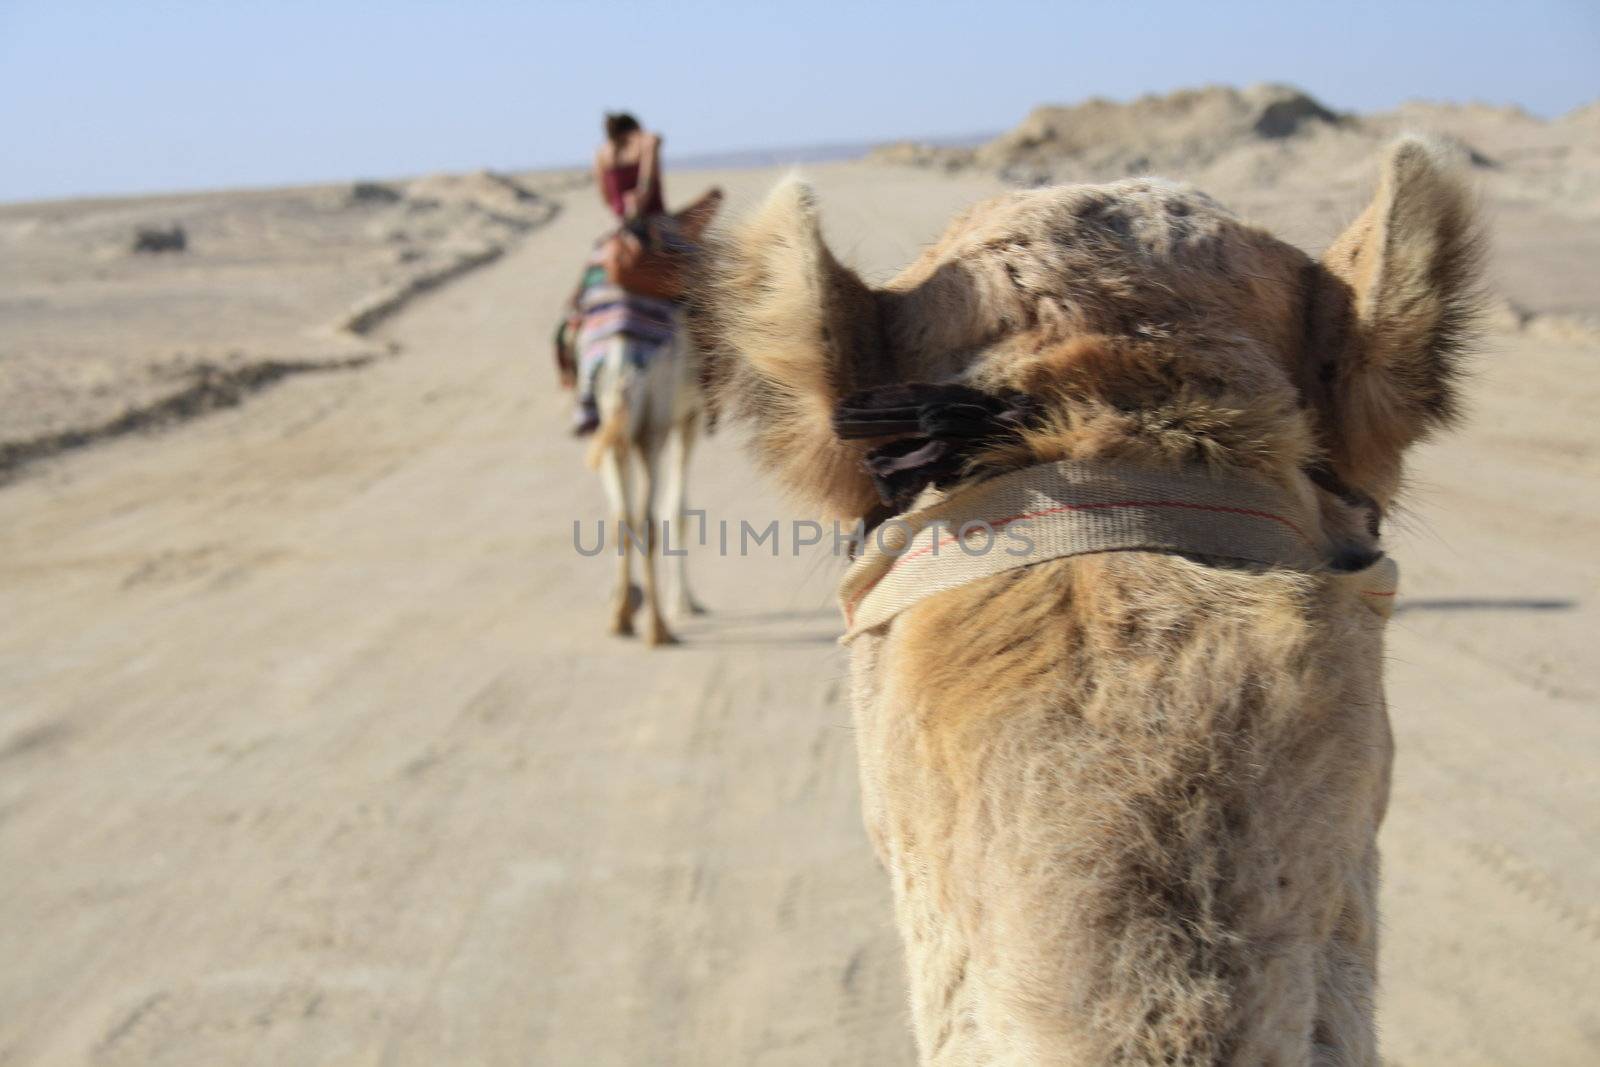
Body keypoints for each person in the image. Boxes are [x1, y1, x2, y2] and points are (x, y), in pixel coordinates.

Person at [595, 112, 665, 230]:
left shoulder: (602, 152)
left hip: (619, 219)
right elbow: (646, 183)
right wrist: (634, 210)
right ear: (636, 126)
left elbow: (605, 196)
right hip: (652, 216)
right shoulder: (647, 141)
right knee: (688, 246)